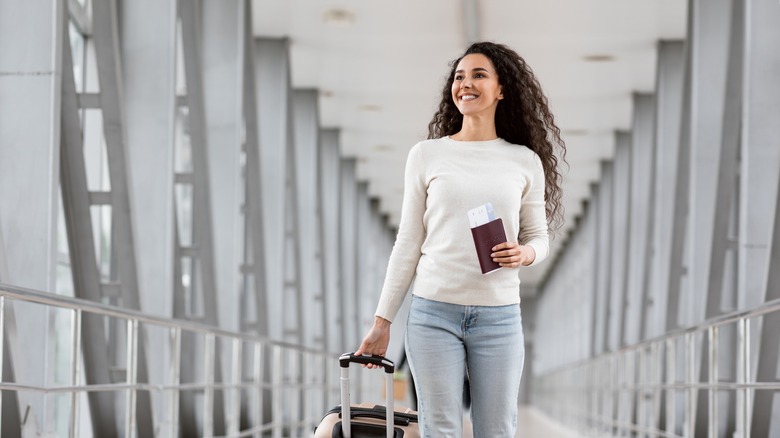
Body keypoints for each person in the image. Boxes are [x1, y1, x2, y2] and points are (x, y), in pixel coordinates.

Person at [355, 41, 566, 437]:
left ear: (502, 89)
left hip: (499, 317)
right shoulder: (426, 155)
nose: (465, 84)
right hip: (433, 314)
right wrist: (382, 323)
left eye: (479, 75)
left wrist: (524, 253)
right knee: (440, 429)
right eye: (459, 76)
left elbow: (540, 238)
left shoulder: (524, 161)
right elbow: (407, 242)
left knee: (497, 429)